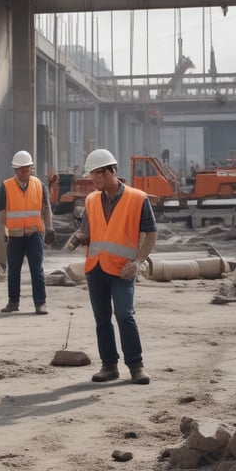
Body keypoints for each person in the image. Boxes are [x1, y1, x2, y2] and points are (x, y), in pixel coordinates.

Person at [68, 148, 157, 385]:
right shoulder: (91, 200)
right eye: (92, 175)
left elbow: (151, 234)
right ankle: (109, 366)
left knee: (124, 315)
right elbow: (87, 229)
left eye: (97, 174)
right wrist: (78, 238)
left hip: (122, 269)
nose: (94, 180)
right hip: (95, 268)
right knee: (102, 319)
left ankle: (136, 366)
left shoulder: (137, 199)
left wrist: (138, 262)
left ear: (111, 171)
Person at [0, 151, 56, 315]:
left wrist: (49, 228)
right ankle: (13, 302)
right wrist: (2, 230)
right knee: (14, 270)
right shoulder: (6, 186)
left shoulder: (39, 185)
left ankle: (40, 303)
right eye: (20, 170)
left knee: (37, 268)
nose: (23, 172)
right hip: (14, 235)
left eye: (26, 169)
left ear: (31, 169)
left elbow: (46, 208)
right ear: (15, 170)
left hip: (34, 233)